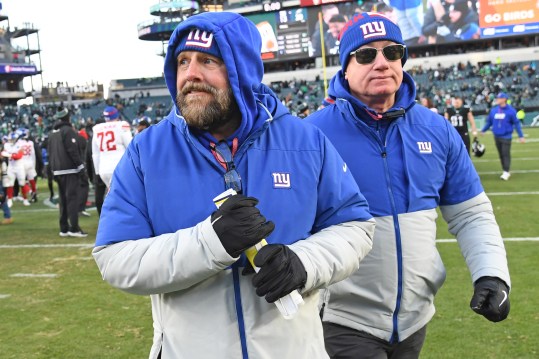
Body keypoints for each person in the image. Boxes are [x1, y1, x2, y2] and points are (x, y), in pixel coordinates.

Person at [92, 12, 375, 359]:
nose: (190, 74)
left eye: (208, 61)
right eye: (182, 61)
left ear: (241, 68)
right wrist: (209, 244)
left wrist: (304, 263)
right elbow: (114, 256)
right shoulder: (146, 152)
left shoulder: (305, 142)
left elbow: (355, 226)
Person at [306, 12, 511, 358]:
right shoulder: (311, 135)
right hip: (343, 321)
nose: (382, 63)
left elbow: (471, 214)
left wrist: (491, 273)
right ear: (345, 68)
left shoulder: (438, 129)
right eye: (367, 55)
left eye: (392, 52)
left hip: (416, 320)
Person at [48, 108, 88, 237]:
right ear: (68, 118)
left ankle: (64, 228)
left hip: (57, 170)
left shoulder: (53, 132)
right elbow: (73, 151)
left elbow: (50, 152)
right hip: (69, 170)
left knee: (63, 200)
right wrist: (81, 167)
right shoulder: (68, 131)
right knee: (72, 199)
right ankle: (74, 228)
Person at [480, 92, 525, 181]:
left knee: (505, 154)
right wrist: (483, 130)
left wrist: (521, 136)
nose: (497, 99)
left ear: (504, 99)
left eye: (499, 98)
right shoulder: (494, 110)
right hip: (496, 136)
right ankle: (505, 170)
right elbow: (489, 122)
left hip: (506, 136)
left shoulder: (511, 111)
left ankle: (506, 171)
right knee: (501, 154)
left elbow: (516, 124)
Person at [91, 106, 132, 189]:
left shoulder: (97, 128)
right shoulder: (121, 125)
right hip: (119, 167)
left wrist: (97, 171)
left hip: (104, 169)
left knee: (112, 194)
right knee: (124, 195)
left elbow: (95, 153)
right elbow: (130, 147)